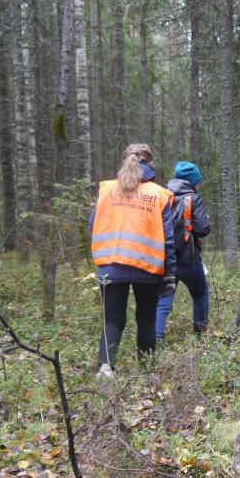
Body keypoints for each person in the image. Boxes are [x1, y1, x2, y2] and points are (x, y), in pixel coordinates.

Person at [89, 144, 176, 379]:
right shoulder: (159, 194)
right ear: (151, 163)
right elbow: (168, 239)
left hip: (111, 265)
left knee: (112, 320)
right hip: (148, 268)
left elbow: (92, 225)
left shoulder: (107, 190)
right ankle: (147, 373)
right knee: (146, 320)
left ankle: (105, 370)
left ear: (124, 161)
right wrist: (169, 274)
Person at [155, 161, 211, 340]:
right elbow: (203, 229)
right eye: (198, 181)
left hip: (165, 258)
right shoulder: (193, 199)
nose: (199, 184)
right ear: (193, 182)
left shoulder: (162, 196)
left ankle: (156, 340)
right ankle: (200, 336)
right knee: (201, 294)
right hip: (188, 259)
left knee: (163, 300)